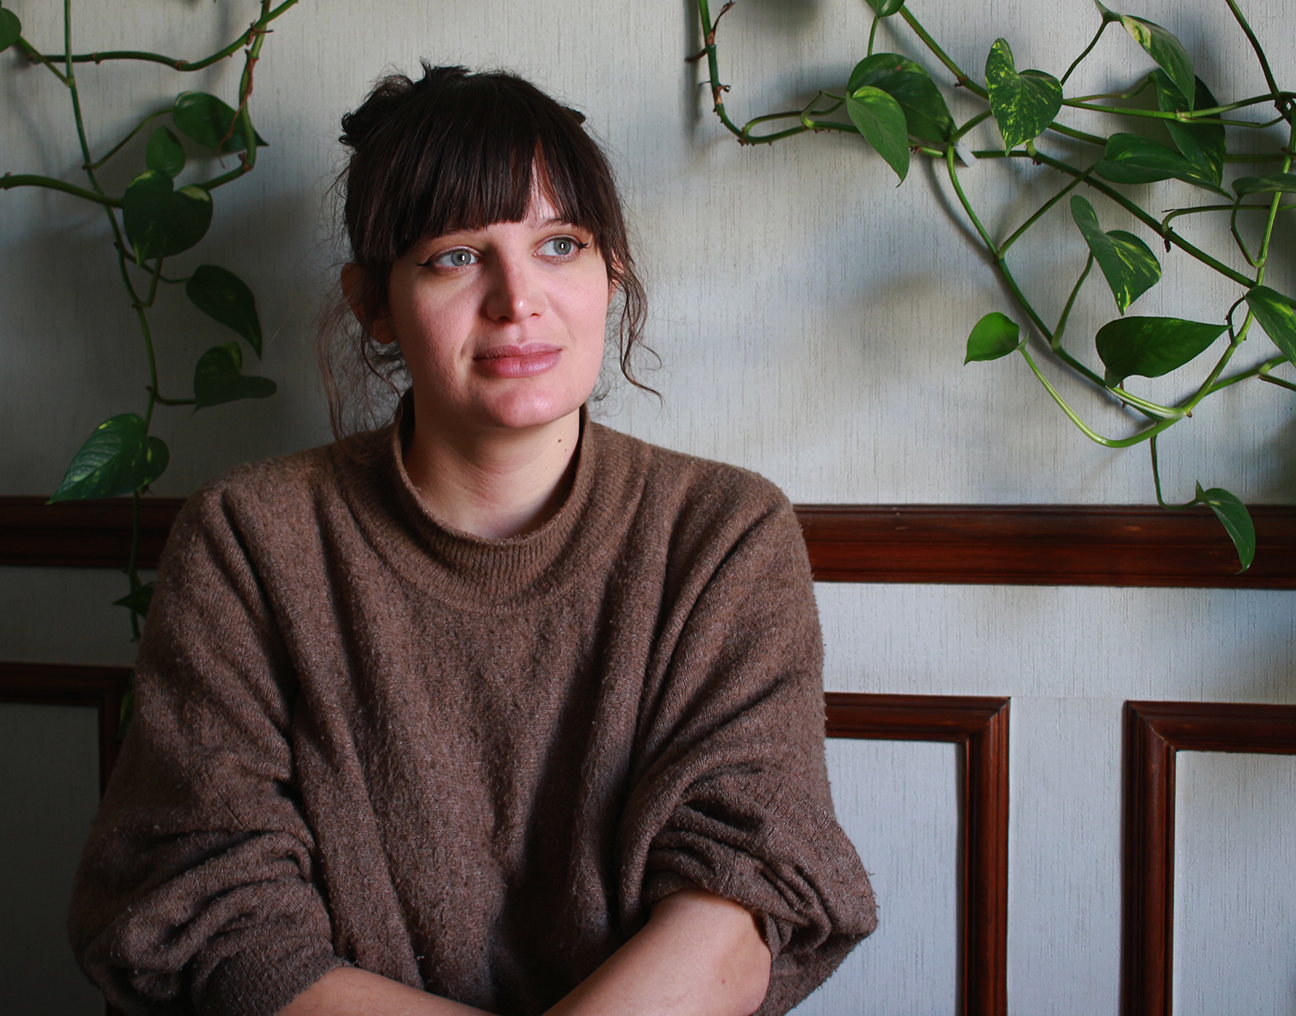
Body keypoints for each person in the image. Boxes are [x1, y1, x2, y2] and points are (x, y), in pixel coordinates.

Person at [68, 65, 876, 1016]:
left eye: (560, 245)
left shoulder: (723, 534)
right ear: (373, 301)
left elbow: (743, 894)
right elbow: (214, 913)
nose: (517, 299)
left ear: (610, 273)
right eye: (456, 255)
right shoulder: (249, 539)